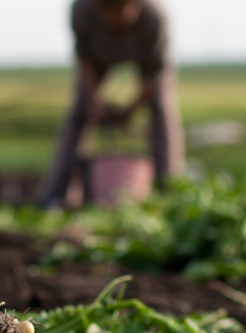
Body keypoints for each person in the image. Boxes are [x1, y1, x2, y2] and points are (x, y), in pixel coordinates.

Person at [37, 0, 185, 207]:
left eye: (122, 11)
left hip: (147, 61)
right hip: (98, 56)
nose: (116, 20)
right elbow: (84, 59)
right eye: (109, 13)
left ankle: (169, 188)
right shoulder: (82, 10)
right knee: (80, 112)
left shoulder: (154, 15)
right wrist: (93, 101)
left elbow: (156, 73)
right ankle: (57, 194)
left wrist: (131, 108)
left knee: (161, 109)